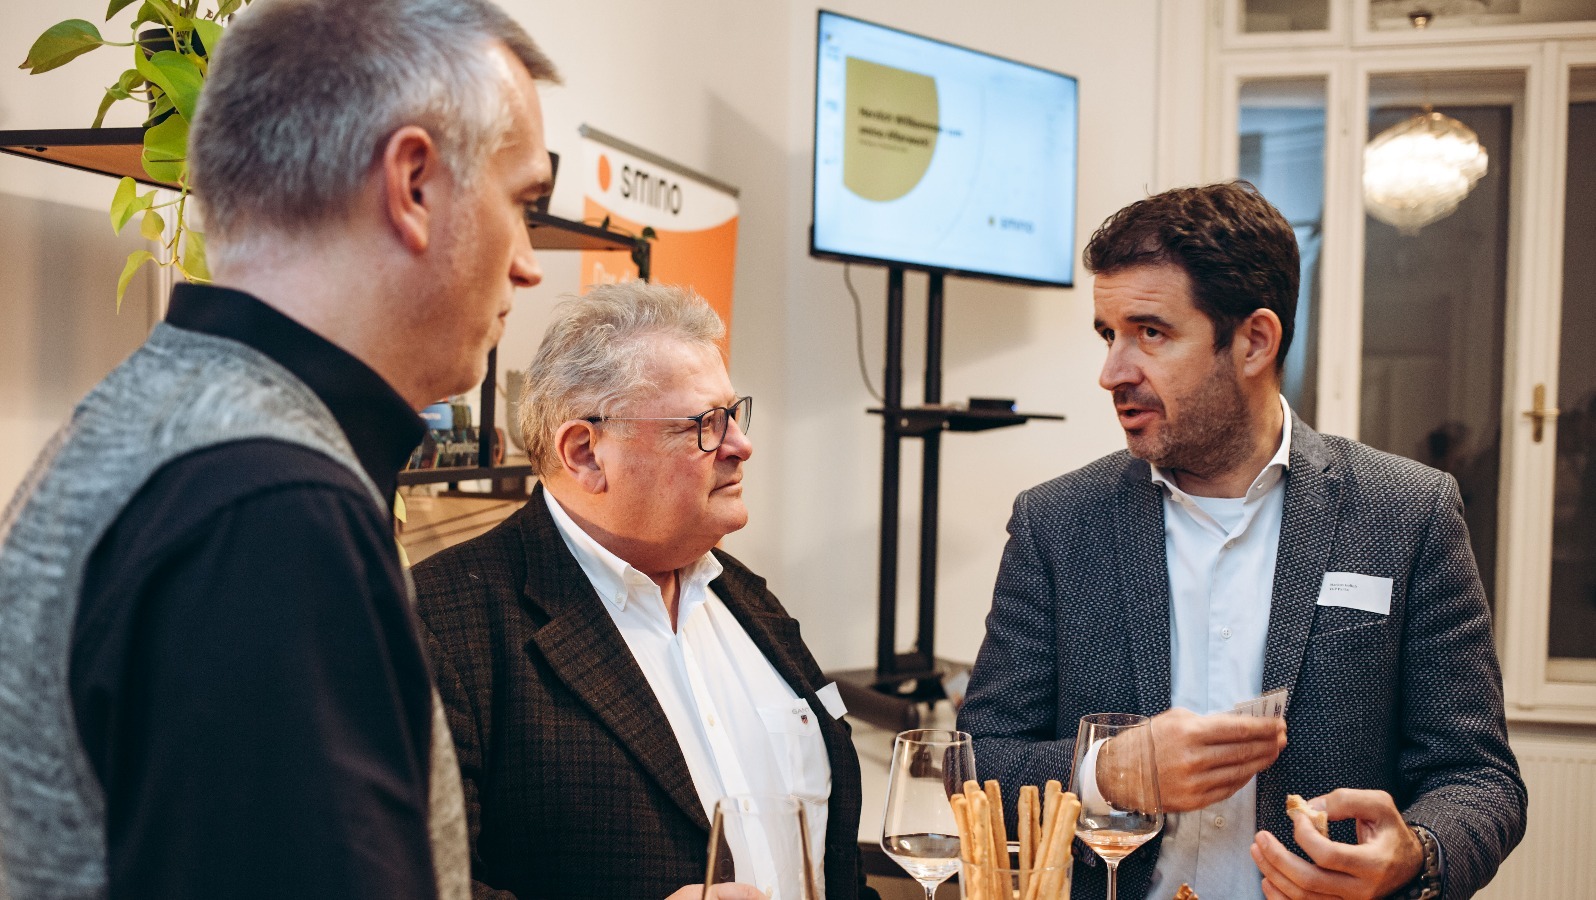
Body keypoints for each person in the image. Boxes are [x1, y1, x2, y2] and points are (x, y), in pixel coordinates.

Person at [0, 1, 557, 897]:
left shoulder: (170, 427)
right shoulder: (271, 514)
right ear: (413, 183)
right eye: (523, 201)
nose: (529, 261)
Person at [957, 182, 1525, 900]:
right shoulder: (1057, 523)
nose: (1112, 373)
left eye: (1150, 333)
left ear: (1255, 341)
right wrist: (1104, 773)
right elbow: (975, 763)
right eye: (1109, 334)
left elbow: (1479, 778)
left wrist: (1416, 853)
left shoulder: (1407, 513)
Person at [412, 282, 877, 900]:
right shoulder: (439, 626)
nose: (741, 446)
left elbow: (834, 864)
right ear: (586, 453)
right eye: (705, 425)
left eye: (734, 415)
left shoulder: (749, 600)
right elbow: (411, 884)